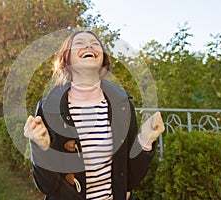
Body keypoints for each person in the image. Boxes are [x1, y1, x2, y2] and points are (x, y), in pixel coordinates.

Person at [24, 30, 165, 200]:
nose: (88, 45)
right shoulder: (49, 108)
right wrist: (42, 148)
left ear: (103, 61)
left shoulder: (123, 106)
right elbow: (47, 186)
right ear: (66, 59)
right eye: (79, 43)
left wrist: (145, 139)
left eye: (95, 43)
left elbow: (131, 179)